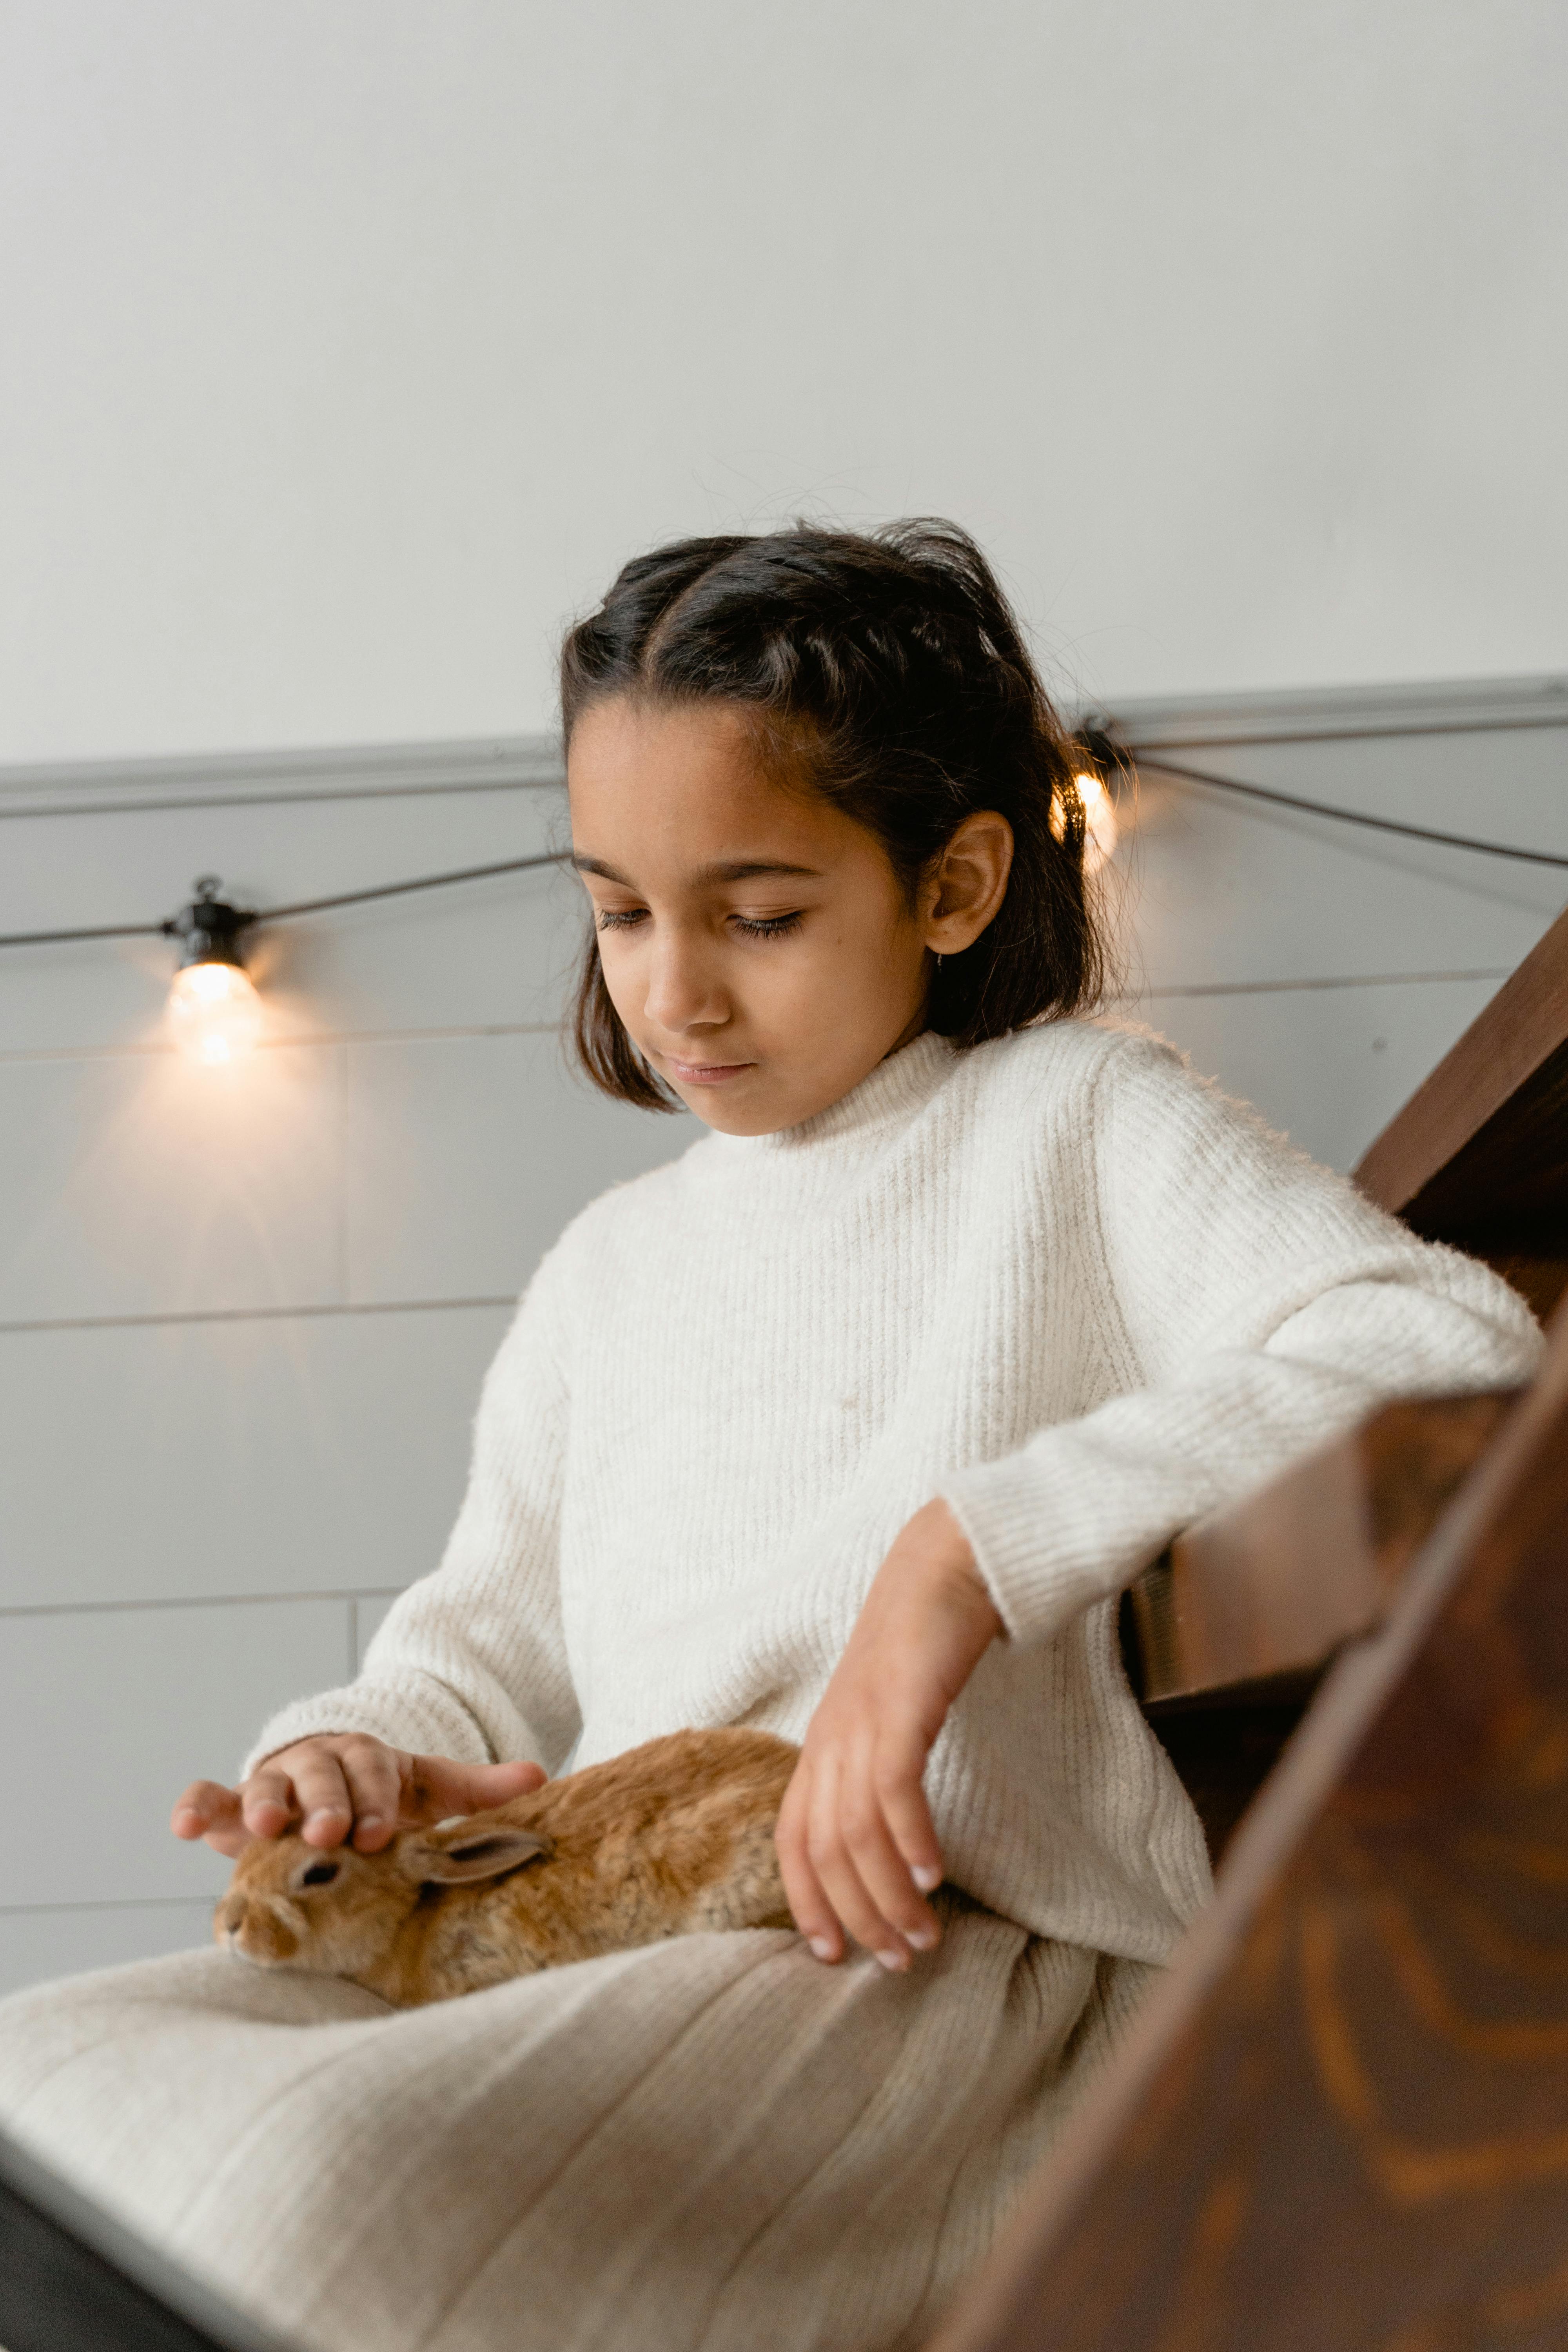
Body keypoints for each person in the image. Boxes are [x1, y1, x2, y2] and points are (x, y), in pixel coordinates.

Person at [0, 522, 1540, 2352]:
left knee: (318, 2197)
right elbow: (483, 1633)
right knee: (52, 2090)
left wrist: (964, 1553)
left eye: (760, 914)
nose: (677, 994)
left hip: (913, 1964)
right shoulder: (613, 1266)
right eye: (621, 910)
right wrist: (357, 1748)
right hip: (601, 1929)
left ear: (954, 883)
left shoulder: (1067, 1120)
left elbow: (1442, 1332)